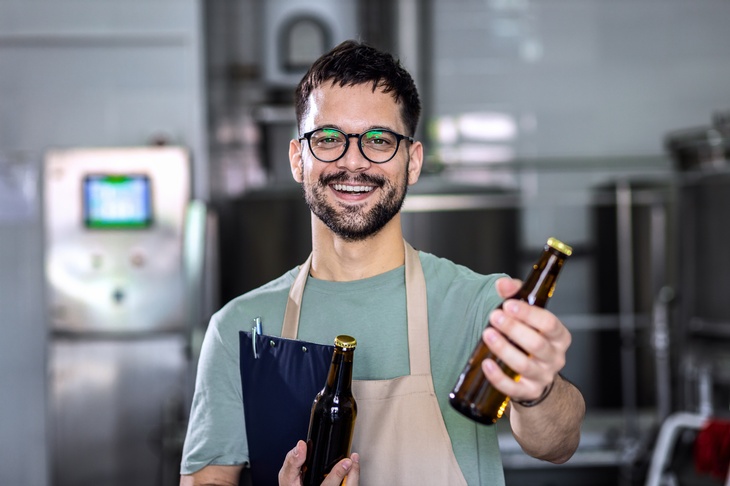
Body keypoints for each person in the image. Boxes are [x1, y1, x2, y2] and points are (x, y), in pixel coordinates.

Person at [179, 39, 585, 486]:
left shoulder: (478, 305)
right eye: (329, 138)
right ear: (298, 159)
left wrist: (539, 391)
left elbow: (557, 444)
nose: (353, 162)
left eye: (378, 140)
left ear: (412, 162)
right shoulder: (239, 327)